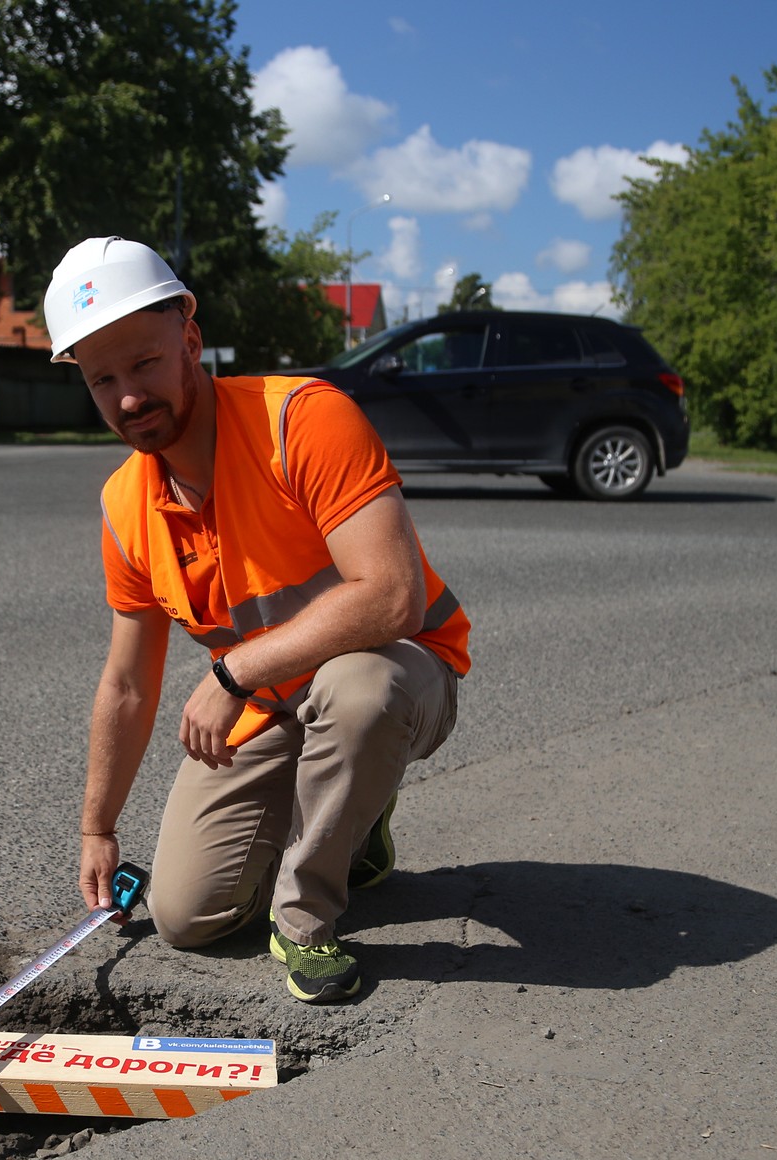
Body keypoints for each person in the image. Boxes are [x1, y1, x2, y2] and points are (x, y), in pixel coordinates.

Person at [53, 237, 471, 1004]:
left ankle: (307, 920)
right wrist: (98, 828)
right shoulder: (124, 505)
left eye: (144, 364)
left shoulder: (302, 420)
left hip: (398, 670)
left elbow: (391, 596)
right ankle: (354, 821)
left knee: (359, 692)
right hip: (278, 703)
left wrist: (233, 671)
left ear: (190, 337)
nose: (128, 398)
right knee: (188, 916)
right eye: (101, 379)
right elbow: (125, 684)